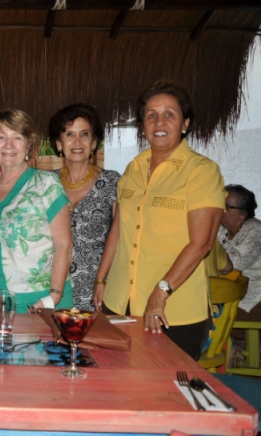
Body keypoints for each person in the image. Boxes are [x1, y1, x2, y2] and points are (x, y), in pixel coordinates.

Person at [93, 80, 225, 360]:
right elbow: (118, 228)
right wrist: (101, 278)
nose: (159, 122)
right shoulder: (133, 168)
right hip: (120, 301)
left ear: (185, 123)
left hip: (173, 309)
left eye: (169, 114)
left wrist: (161, 291)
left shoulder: (202, 171)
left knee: (168, 383)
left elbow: (201, 243)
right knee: (117, 378)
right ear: (143, 125)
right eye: (151, 115)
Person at [0, 109, 73, 312]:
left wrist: (54, 296)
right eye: (1, 137)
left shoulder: (46, 183)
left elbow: (64, 244)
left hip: (42, 301)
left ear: (28, 144)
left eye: (17, 137)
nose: (8, 145)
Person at [48, 104, 120, 311]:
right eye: (69, 134)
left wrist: (101, 280)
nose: (77, 142)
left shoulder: (112, 182)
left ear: (94, 142)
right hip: (52, 288)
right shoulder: (46, 184)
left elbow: (119, 236)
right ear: (59, 144)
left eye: (84, 134)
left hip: (98, 290)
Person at [217, 184, 261, 321]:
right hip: (226, 294)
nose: (221, 209)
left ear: (243, 213)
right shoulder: (221, 228)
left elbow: (233, 264)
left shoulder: (255, 230)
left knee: (207, 319)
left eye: (227, 206)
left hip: (252, 299)